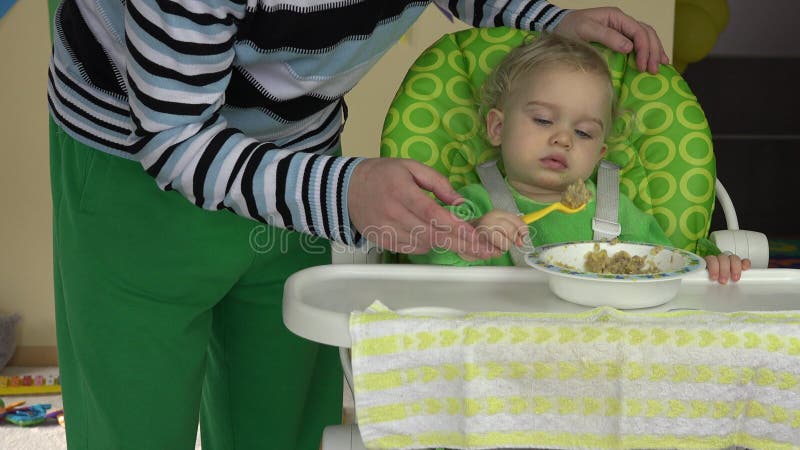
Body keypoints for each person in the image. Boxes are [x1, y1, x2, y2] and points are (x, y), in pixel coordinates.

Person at [46, 1, 670, 448]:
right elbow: (177, 136)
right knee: (135, 415)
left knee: (284, 408)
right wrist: (344, 193)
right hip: (131, 157)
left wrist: (546, 19)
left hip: (302, 147)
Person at [409, 32, 751, 284]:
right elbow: (430, 278)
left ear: (600, 153)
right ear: (497, 127)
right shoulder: (471, 206)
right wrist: (469, 241)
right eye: (543, 120)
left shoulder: (615, 212)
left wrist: (710, 264)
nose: (563, 139)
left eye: (584, 133)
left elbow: (667, 266)